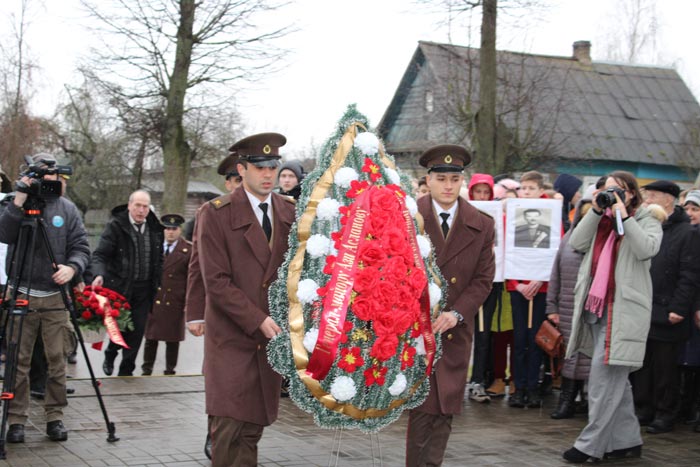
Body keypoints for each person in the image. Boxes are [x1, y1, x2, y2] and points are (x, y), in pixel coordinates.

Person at [196, 132, 295, 466]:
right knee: (228, 428)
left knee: (252, 427)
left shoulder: (289, 211)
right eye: (259, 167)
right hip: (233, 338)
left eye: (272, 166)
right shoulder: (216, 213)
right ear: (242, 170)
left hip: (271, 340)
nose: (268, 174)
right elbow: (216, 281)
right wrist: (258, 319)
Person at [562, 171, 664, 463]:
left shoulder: (648, 220)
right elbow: (576, 243)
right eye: (606, 191)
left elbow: (646, 250)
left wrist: (624, 217)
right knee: (616, 382)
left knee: (602, 382)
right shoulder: (600, 221)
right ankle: (627, 442)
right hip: (596, 308)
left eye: (618, 191)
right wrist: (596, 210)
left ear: (631, 193)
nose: (611, 195)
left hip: (624, 312)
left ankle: (589, 445)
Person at [406, 145, 495, 467]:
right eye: (440, 178)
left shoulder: (481, 224)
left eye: (454, 178)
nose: (447, 185)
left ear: (463, 181)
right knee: (422, 408)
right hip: (415, 330)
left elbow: (484, 280)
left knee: (447, 406)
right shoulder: (408, 218)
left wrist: (456, 314)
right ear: (427, 180)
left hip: (455, 328)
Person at [0, 153, 91, 443]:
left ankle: (55, 417)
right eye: (43, 178)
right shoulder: (16, 202)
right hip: (22, 292)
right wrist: (19, 199)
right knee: (19, 361)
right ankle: (16, 420)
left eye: (55, 179)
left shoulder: (67, 209)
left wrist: (72, 267)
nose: (49, 184)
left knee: (57, 360)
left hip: (54, 297)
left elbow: (81, 246)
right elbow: (4, 233)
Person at [184, 152, 242, 460]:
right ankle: (214, 433)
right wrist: (194, 313)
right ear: (228, 182)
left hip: (251, 313)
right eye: (235, 181)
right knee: (219, 378)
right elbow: (196, 267)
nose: (238, 186)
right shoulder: (212, 214)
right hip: (219, 313)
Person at [632, 181, 700, 434]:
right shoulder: (647, 225)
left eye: (652, 196)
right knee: (643, 364)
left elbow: (690, 274)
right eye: (646, 196)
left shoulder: (687, 232)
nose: (647, 201)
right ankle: (643, 408)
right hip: (643, 306)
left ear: (668, 200)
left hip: (669, 310)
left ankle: (665, 412)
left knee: (665, 368)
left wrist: (679, 307)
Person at [90, 190, 164, 377]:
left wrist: (159, 280)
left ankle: (126, 370)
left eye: (145, 206)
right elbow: (100, 255)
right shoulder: (116, 226)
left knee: (137, 330)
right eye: (137, 205)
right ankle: (110, 353)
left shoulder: (155, 228)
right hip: (120, 287)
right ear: (129, 205)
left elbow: (159, 259)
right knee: (121, 327)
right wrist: (98, 274)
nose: (141, 210)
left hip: (145, 289)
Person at [546, 198, 593, 419]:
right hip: (566, 309)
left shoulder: (602, 242)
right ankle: (566, 401)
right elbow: (555, 275)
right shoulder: (567, 240)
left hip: (591, 310)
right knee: (569, 356)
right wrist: (551, 306)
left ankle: (587, 401)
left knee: (589, 358)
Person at [507, 170, 551, 408]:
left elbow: (554, 251)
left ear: (540, 191)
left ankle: (533, 387)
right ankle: (518, 386)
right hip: (519, 288)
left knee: (536, 339)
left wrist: (540, 280)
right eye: (523, 188)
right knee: (519, 338)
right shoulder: (513, 216)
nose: (526, 192)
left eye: (531, 189)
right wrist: (517, 284)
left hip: (540, 289)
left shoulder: (551, 217)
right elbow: (507, 251)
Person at [465, 173, 501, 403]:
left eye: (486, 192)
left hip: (492, 281)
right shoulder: (464, 213)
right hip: (466, 282)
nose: (482, 196)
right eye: (478, 191)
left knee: (483, 332)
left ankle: (478, 379)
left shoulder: (500, 216)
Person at [141, 214, 191, 376]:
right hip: (154, 298)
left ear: (180, 230)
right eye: (167, 229)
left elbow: (192, 279)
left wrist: (188, 302)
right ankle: (146, 369)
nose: (170, 232)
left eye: (174, 229)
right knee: (151, 338)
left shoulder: (188, 250)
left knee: (173, 339)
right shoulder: (154, 247)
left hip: (175, 299)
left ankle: (170, 370)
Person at [678, 190, 700, 432]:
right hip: (687, 306)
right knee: (687, 361)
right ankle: (686, 407)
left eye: (695, 209)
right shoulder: (687, 236)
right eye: (688, 209)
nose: (691, 214)